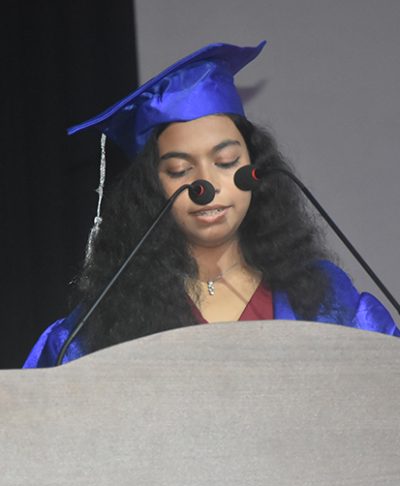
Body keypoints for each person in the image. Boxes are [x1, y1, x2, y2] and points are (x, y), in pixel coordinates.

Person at [24, 41, 399, 368]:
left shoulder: (323, 297)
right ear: (151, 188)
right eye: (180, 170)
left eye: (226, 162)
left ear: (254, 168)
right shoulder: (105, 322)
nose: (206, 186)